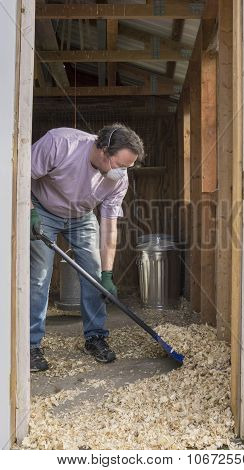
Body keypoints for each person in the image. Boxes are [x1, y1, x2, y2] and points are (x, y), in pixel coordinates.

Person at [30, 124, 144, 372]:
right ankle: (31, 345)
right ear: (103, 150)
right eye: (120, 165)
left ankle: (95, 337)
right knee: (39, 276)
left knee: (92, 274)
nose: (123, 172)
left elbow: (109, 226)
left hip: (81, 215)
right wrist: (28, 211)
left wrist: (107, 274)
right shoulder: (60, 143)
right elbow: (20, 172)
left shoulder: (118, 180)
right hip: (42, 208)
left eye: (128, 167)